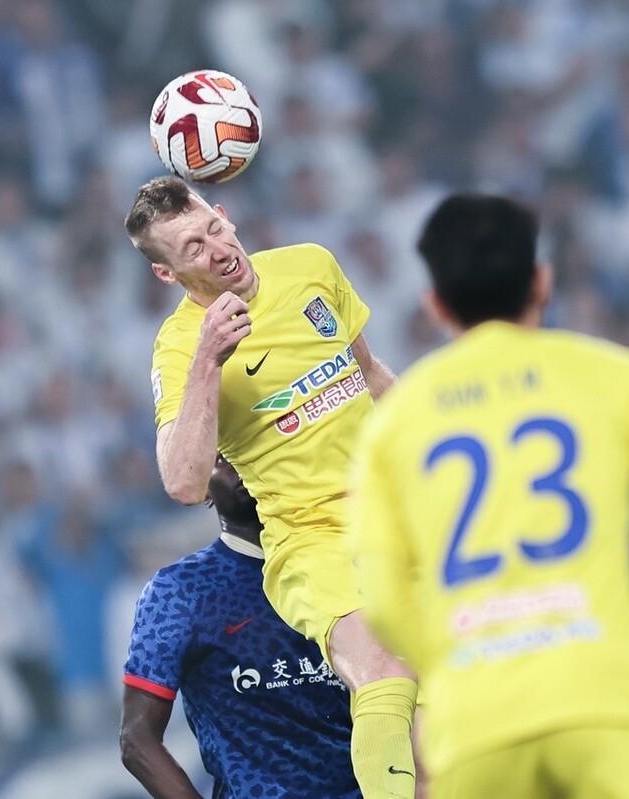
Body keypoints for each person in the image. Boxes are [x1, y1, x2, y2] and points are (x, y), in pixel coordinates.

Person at [350, 193, 629, 799]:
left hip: (477, 727)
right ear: (542, 282)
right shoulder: (620, 377)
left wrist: (458, 677)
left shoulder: (393, 423)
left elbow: (382, 599)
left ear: (436, 305)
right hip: (610, 702)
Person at [123, 176, 416, 799]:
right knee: (383, 675)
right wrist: (208, 360)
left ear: (225, 214)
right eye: (193, 248)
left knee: (437, 728)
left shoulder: (310, 267)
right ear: (167, 274)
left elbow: (368, 373)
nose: (217, 249)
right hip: (311, 538)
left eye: (214, 229)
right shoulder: (181, 347)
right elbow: (182, 482)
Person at [120, 457, 359, 799]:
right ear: (202, 485)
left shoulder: (347, 567)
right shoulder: (180, 591)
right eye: (224, 458)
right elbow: (137, 739)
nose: (244, 464)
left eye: (257, 450)